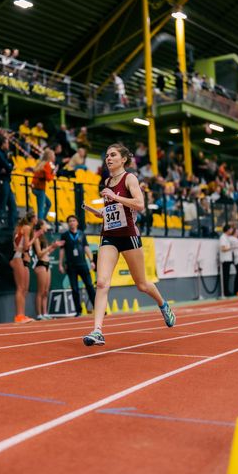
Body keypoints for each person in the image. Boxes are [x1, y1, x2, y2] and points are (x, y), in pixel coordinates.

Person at [82, 143, 176, 346]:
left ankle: (162, 304)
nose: (108, 158)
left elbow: (140, 205)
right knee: (101, 283)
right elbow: (113, 212)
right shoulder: (106, 181)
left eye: (113, 155)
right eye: (106, 155)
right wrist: (98, 212)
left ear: (123, 159)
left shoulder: (130, 178)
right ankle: (97, 330)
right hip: (109, 235)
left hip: (129, 236)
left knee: (142, 284)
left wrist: (115, 196)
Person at [59, 215, 96, 317]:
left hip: (83, 264)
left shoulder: (81, 234)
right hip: (71, 266)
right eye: (69, 221)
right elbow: (62, 250)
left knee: (90, 286)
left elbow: (86, 248)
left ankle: (97, 308)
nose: (71, 222)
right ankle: (78, 311)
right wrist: (60, 264)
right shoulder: (65, 235)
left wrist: (92, 261)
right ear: (68, 224)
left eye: (73, 220)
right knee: (74, 289)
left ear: (77, 223)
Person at [10, 210, 41, 324]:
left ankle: (22, 314)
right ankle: (18, 315)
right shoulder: (27, 228)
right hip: (19, 256)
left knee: (25, 289)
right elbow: (26, 247)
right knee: (20, 288)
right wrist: (36, 237)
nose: (37, 219)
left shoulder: (24, 227)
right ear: (32, 219)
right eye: (36, 217)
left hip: (23, 258)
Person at [33, 219, 64, 320]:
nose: (47, 226)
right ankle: (39, 314)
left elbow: (47, 253)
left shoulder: (43, 238)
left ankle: (45, 312)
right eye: (45, 224)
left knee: (46, 291)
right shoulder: (36, 238)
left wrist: (54, 247)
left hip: (47, 264)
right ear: (41, 226)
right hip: (40, 264)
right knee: (40, 291)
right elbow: (39, 254)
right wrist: (50, 246)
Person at [0, 135, 18, 229]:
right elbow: (9, 167)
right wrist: (8, 167)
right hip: (1, 182)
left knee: (13, 207)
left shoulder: (6, 154)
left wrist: (9, 166)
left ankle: (11, 228)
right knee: (1, 207)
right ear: (2, 144)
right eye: (7, 143)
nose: (8, 145)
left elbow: (11, 166)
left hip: (7, 181)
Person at [31, 148, 56, 220]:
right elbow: (48, 179)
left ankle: (43, 220)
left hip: (35, 187)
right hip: (40, 188)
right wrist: (53, 173)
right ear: (50, 156)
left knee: (48, 204)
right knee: (41, 209)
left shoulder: (40, 163)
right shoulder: (47, 165)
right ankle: (40, 223)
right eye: (53, 155)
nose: (54, 157)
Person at [219, 223, 234, 297]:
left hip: (228, 259)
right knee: (225, 277)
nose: (232, 230)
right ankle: (225, 292)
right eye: (230, 229)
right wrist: (231, 248)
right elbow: (223, 248)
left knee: (227, 276)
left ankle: (227, 291)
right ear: (227, 230)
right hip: (224, 260)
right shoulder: (223, 237)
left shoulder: (227, 237)